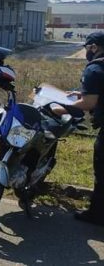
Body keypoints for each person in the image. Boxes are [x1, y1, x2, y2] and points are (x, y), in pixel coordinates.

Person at [53, 32, 104, 226]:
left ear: (94, 47)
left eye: (87, 48)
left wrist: (63, 108)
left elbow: (90, 102)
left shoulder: (95, 69)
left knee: (102, 172)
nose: (86, 53)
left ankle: (97, 215)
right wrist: (80, 94)